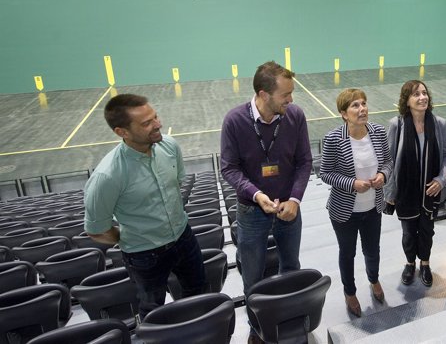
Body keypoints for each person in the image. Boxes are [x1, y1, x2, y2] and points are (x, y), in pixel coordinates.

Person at [84, 94, 205, 319]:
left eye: (155, 117)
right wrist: (128, 236)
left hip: (184, 237)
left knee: (198, 292)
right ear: (122, 132)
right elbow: (96, 229)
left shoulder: (169, 146)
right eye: (146, 123)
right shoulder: (107, 176)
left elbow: (176, 183)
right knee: (153, 310)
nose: (158, 124)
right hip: (143, 254)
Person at [220, 61, 312, 301]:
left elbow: (304, 161)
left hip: (289, 208)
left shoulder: (295, 116)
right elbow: (229, 168)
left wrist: (295, 199)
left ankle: (290, 312)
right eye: (285, 94)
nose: (290, 99)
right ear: (263, 94)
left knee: (291, 268)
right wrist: (256, 194)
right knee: (252, 276)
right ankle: (257, 326)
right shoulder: (234, 121)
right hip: (251, 211)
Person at [320, 88, 393, 317]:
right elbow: (325, 173)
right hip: (344, 212)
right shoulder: (334, 139)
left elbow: (389, 162)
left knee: (372, 250)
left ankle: (374, 280)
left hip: (373, 207)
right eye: (355, 106)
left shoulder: (379, 132)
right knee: (348, 253)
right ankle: (349, 292)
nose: (362, 109)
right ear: (344, 113)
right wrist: (352, 184)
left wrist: (383, 176)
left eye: (363, 104)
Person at [384, 80, 446, 287]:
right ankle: (410, 263)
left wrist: (442, 179)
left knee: (427, 231)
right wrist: (390, 193)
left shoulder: (439, 124)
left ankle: (425, 263)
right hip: (405, 192)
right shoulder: (397, 125)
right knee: (408, 233)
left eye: (424, 93)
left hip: (430, 192)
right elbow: (389, 160)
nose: (422, 97)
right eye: (416, 94)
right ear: (407, 100)